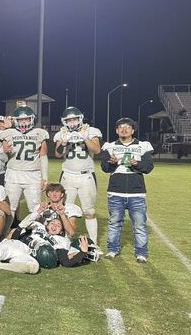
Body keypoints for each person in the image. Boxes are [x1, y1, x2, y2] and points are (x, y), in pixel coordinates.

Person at [101, 117, 154, 263]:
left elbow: (149, 167)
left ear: (133, 130)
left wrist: (137, 164)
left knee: (139, 224)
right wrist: (111, 163)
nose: (124, 130)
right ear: (116, 130)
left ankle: (141, 252)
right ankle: (112, 249)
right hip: (115, 191)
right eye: (121, 127)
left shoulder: (143, 146)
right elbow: (105, 168)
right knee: (114, 223)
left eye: (127, 127)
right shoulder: (109, 146)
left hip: (136, 192)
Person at [54, 107, 102, 242]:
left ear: (80, 119)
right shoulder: (62, 133)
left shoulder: (90, 131)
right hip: (68, 175)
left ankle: (93, 243)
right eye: (69, 120)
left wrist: (85, 138)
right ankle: (64, 240)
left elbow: (96, 149)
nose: (72, 123)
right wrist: (63, 143)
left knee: (89, 211)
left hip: (86, 175)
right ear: (65, 122)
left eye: (74, 119)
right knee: (65, 210)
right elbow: (58, 154)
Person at [0, 105, 49, 225]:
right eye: (21, 119)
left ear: (32, 119)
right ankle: (6, 234)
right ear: (16, 120)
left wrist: (45, 177)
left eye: (26, 119)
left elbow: (43, 156)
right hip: (13, 173)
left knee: (35, 208)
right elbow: (3, 159)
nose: (24, 122)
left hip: (33, 174)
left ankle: (37, 233)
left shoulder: (39, 133)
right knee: (10, 207)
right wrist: (3, 151)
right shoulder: (8, 133)